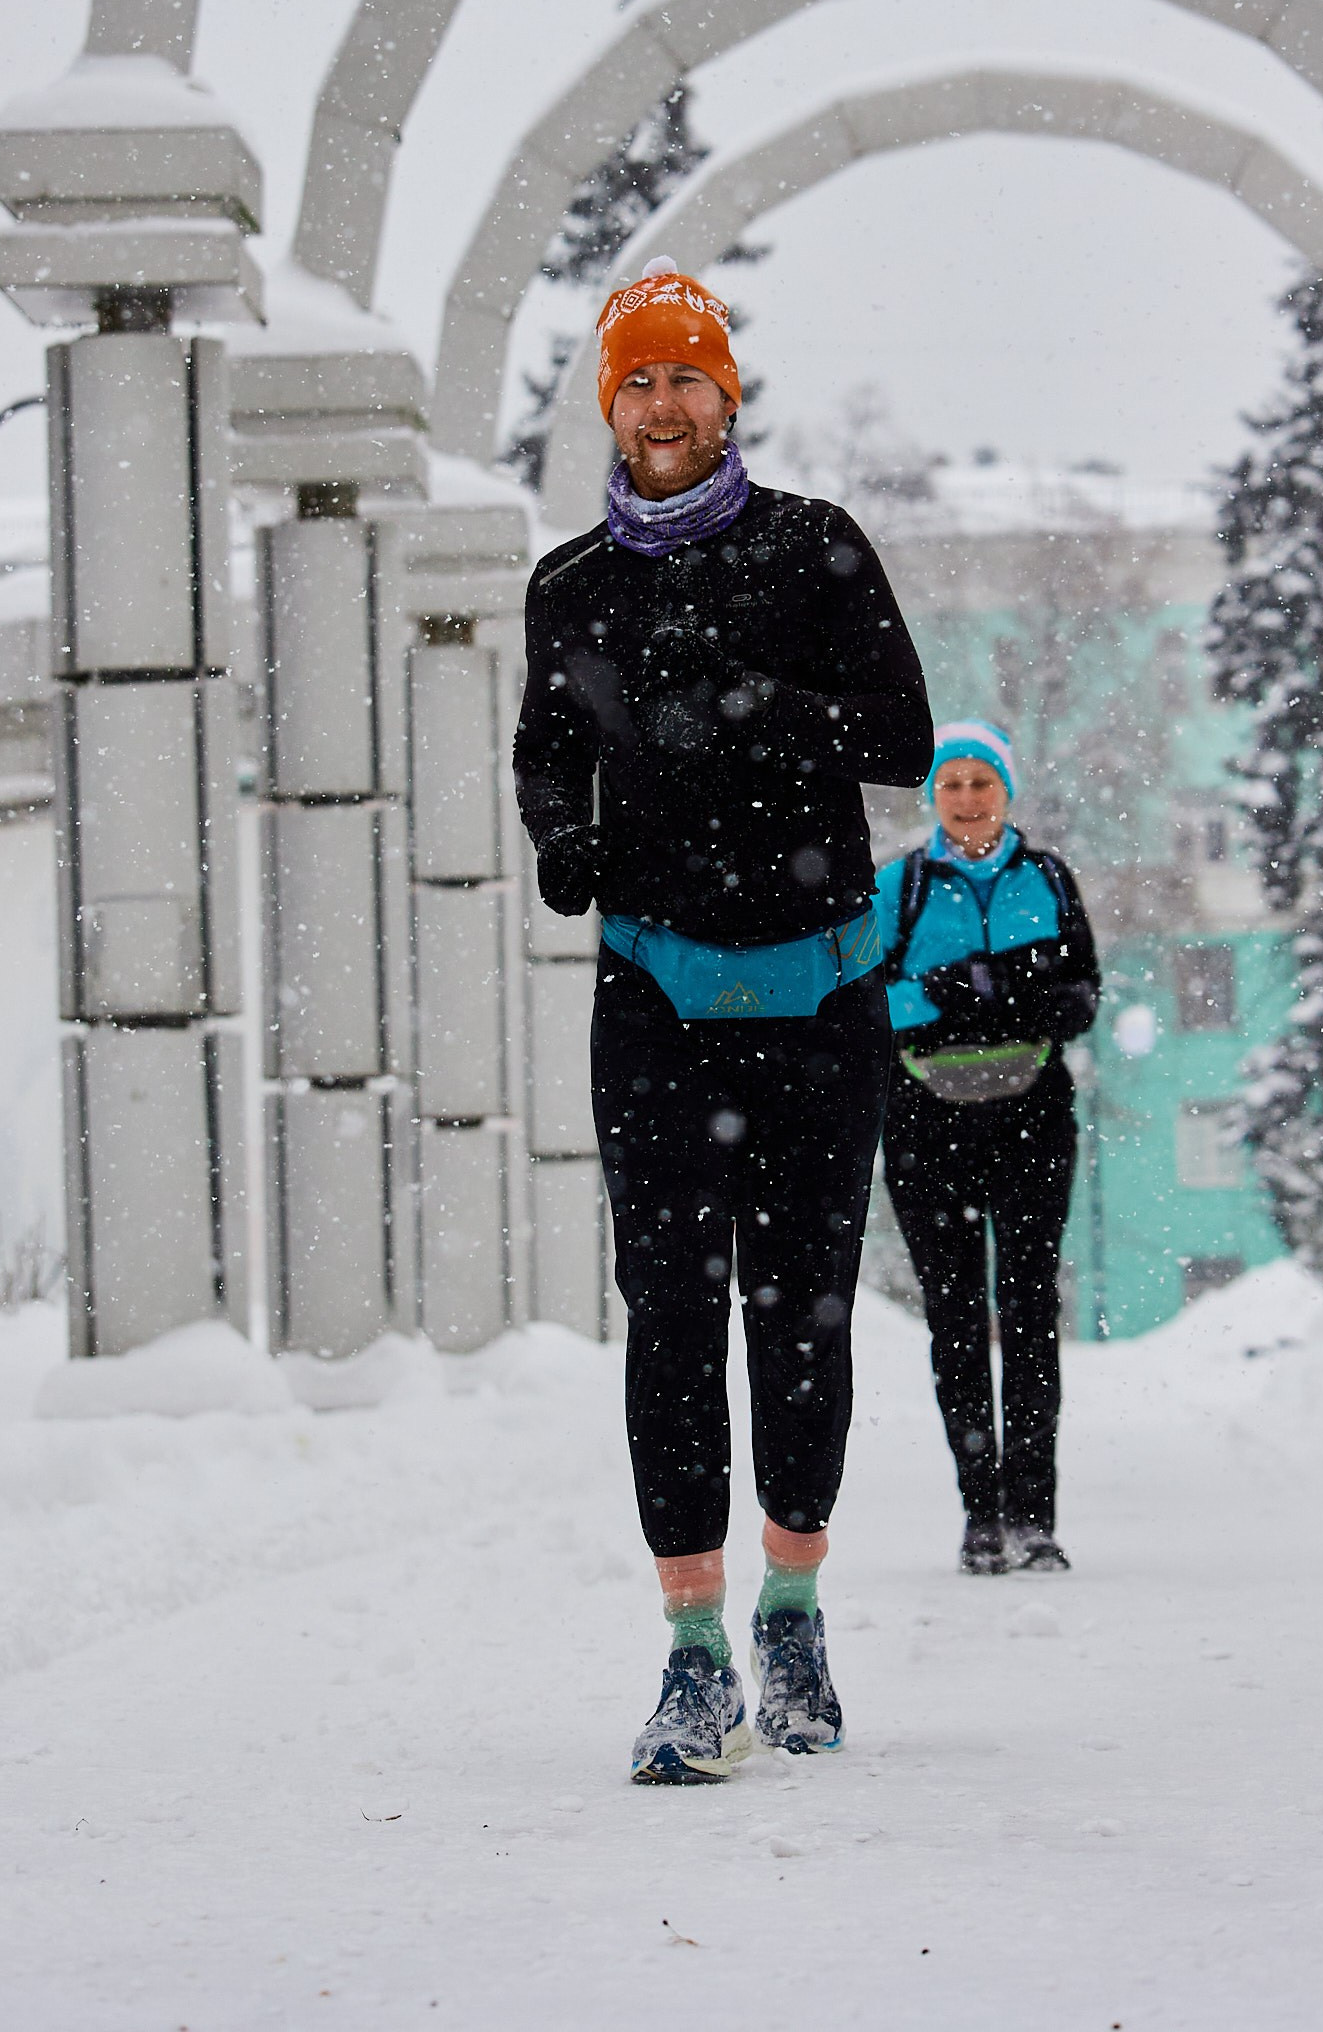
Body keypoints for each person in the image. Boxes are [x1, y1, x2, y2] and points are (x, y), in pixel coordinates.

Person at [515, 259, 933, 1784]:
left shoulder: (815, 548)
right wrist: (561, 832)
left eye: (686, 375)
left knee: (800, 1310)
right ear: (609, 406)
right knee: (674, 1315)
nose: (662, 403)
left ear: (726, 395)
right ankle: (693, 1653)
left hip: (818, 994)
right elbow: (545, 748)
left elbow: (905, 737)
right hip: (657, 1002)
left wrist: (762, 707)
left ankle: (794, 1613)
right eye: (636, 379)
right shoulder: (570, 586)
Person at [876, 720, 1100, 1576]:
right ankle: (981, 1515)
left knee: (1030, 1309)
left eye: (982, 782)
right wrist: (961, 994)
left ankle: (1034, 1517)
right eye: (952, 783)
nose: (967, 798)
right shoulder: (899, 887)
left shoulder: (1047, 879)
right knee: (957, 1316)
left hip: (1032, 1117)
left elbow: (1081, 996)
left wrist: (988, 991)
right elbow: (866, 1002)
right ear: (933, 795)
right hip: (926, 1122)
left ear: (1007, 791)